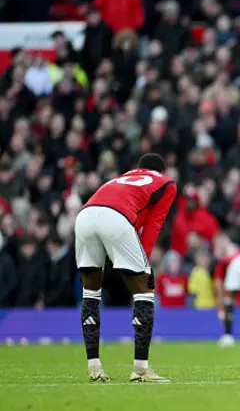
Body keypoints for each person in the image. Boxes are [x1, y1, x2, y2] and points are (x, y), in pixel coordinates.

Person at [75, 153, 177, 382]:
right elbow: (154, 222)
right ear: (161, 171)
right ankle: (141, 369)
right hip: (116, 218)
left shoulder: (122, 178)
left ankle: (94, 367)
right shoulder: (166, 183)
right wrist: (145, 263)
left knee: (90, 292)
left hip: (85, 215)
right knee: (144, 292)